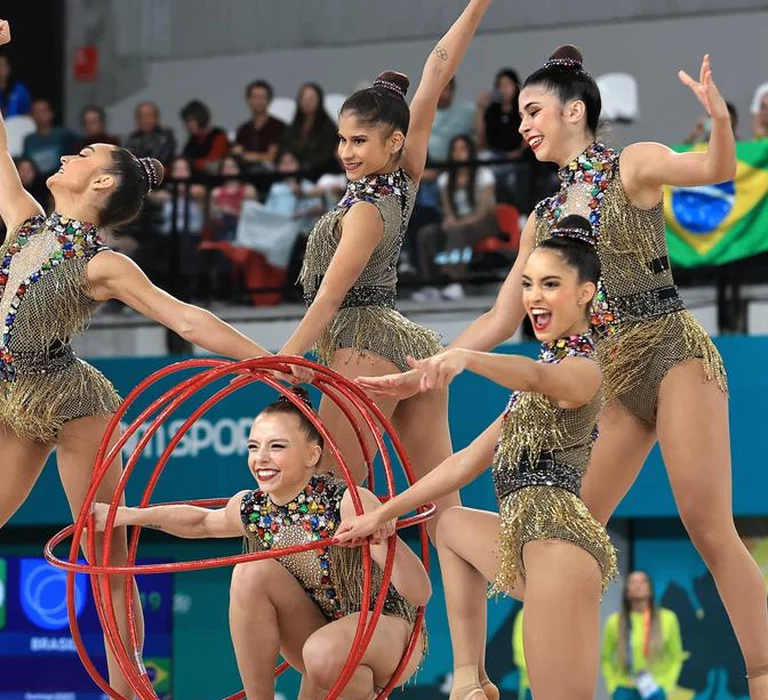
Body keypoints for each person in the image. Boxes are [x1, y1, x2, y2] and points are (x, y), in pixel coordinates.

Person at [360, 45, 768, 698]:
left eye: (532, 111)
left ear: (574, 110)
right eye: (519, 114)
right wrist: (431, 371)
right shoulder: (542, 221)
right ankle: (504, 678)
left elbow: (717, 168)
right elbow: (500, 317)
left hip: (669, 349)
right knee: (567, 536)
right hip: (604, 378)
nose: (521, 124)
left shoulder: (628, 166)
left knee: (708, 526)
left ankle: (763, 675)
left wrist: (720, 118)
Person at [0, 20, 274, 697]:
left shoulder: (101, 260)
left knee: (104, 547)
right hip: (11, 396)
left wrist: (265, 361)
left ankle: (130, 686)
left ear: (101, 186)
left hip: (69, 403)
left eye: (86, 151)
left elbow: (184, 316)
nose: (70, 152)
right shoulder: (26, 220)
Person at [278, 1, 497, 694]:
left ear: (392, 143)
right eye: (342, 140)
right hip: (407, 351)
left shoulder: (371, 206)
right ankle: (469, 673)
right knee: (446, 513)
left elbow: (330, 300)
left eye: (360, 141)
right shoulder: (401, 181)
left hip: (363, 350)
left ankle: (367, 641)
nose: (346, 151)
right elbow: (435, 70)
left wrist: (282, 363)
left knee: (331, 498)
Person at [338, 215, 617, 700]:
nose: (534, 297)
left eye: (551, 284)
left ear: (586, 292)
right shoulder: (541, 379)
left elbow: (535, 377)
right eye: (528, 284)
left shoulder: (583, 368)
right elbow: (464, 462)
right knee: (449, 524)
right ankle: (470, 679)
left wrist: (466, 357)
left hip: (561, 549)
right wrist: (383, 513)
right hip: (526, 542)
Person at [93, 388, 430, 700]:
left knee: (323, 655)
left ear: (313, 455)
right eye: (254, 447)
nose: (261, 458)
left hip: (388, 632)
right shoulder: (253, 507)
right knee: (249, 572)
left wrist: (384, 538)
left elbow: (420, 593)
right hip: (320, 636)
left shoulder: (348, 502)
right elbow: (200, 522)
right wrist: (125, 516)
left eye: (277, 446)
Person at [414, 133, 497, 302]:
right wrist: (450, 220)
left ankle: (454, 281)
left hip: (483, 223)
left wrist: (457, 223)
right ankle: (430, 284)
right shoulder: (445, 179)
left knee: (458, 230)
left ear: (471, 152)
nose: (459, 153)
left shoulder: (484, 175)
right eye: (455, 150)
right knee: (427, 233)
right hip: (458, 223)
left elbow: (482, 212)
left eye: (463, 149)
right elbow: (448, 210)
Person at [601, 571, 685, 700]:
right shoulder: (614, 622)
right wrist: (613, 686)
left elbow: (676, 657)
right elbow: (605, 658)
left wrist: (666, 685)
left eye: (643, 581)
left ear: (650, 589)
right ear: (627, 591)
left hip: (655, 688)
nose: (638, 585)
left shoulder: (668, 618)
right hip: (624, 689)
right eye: (633, 582)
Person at [280, 82, 339, 175]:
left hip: (319, 174)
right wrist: (287, 159)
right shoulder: (293, 127)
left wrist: (301, 165)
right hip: (293, 174)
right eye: (303, 98)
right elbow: (285, 147)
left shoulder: (328, 128)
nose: (307, 102)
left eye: (311, 98)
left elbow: (325, 157)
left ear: (319, 101)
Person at [232, 79, 285, 169]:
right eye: (254, 97)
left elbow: (271, 157)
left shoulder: (278, 126)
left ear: (269, 100)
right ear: (248, 100)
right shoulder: (243, 129)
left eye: (262, 97)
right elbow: (236, 152)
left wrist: (248, 156)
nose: (258, 101)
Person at [22, 97, 75, 177]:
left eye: (43, 111)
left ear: (51, 113)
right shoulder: (29, 140)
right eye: (36, 112)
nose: (40, 115)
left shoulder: (64, 135)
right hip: (36, 185)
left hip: (60, 179)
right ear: (31, 115)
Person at [180, 99, 230, 172]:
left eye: (190, 121)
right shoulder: (191, 141)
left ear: (200, 119)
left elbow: (212, 164)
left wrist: (193, 163)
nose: (188, 126)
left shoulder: (218, 135)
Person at [125, 101, 177, 165]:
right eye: (141, 117)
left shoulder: (166, 137)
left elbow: (162, 160)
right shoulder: (132, 139)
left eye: (149, 116)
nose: (145, 120)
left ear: (157, 118)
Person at [0, 52, 31, 117]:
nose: (1, 68)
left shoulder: (19, 89)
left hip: (17, 124)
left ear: (9, 68)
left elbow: (27, 111)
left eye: (3, 65)